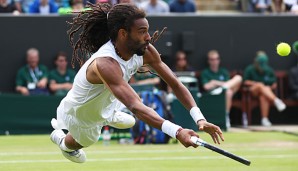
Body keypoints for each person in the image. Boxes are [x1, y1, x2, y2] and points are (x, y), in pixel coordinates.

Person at [50, 3, 224, 163]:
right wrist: (177, 132)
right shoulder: (105, 63)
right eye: (142, 31)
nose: (148, 37)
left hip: (110, 98)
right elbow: (135, 106)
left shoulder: (145, 51)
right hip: (82, 112)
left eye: (147, 30)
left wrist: (199, 119)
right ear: (123, 33)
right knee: (86, 141)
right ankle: (61, 140)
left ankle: (110, 114)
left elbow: (176, 84)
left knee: (130, 121)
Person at [201, 50, 242, 128]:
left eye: (216, 59)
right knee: (228, 91)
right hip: (212, 95)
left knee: (237, 79)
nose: (215, 61)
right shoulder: (205, 72)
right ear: (209, 61)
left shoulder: (223, 71)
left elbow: (230, 83)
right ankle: (226, 115)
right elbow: (206, 87)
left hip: (225, 92)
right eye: (212, 59)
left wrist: (214, 82)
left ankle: (226, 116)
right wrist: (220, 84)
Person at [243, 51, 286, 126]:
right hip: (252, 92)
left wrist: (268, 87)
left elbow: (274, 84)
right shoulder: (250, 69)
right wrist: (255, 83)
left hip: (265, 93)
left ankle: (264, 119)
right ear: (256, 59)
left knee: (263, 97)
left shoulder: (269, 70)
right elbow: (245, 82)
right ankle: (276, 100)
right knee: (260, 85)